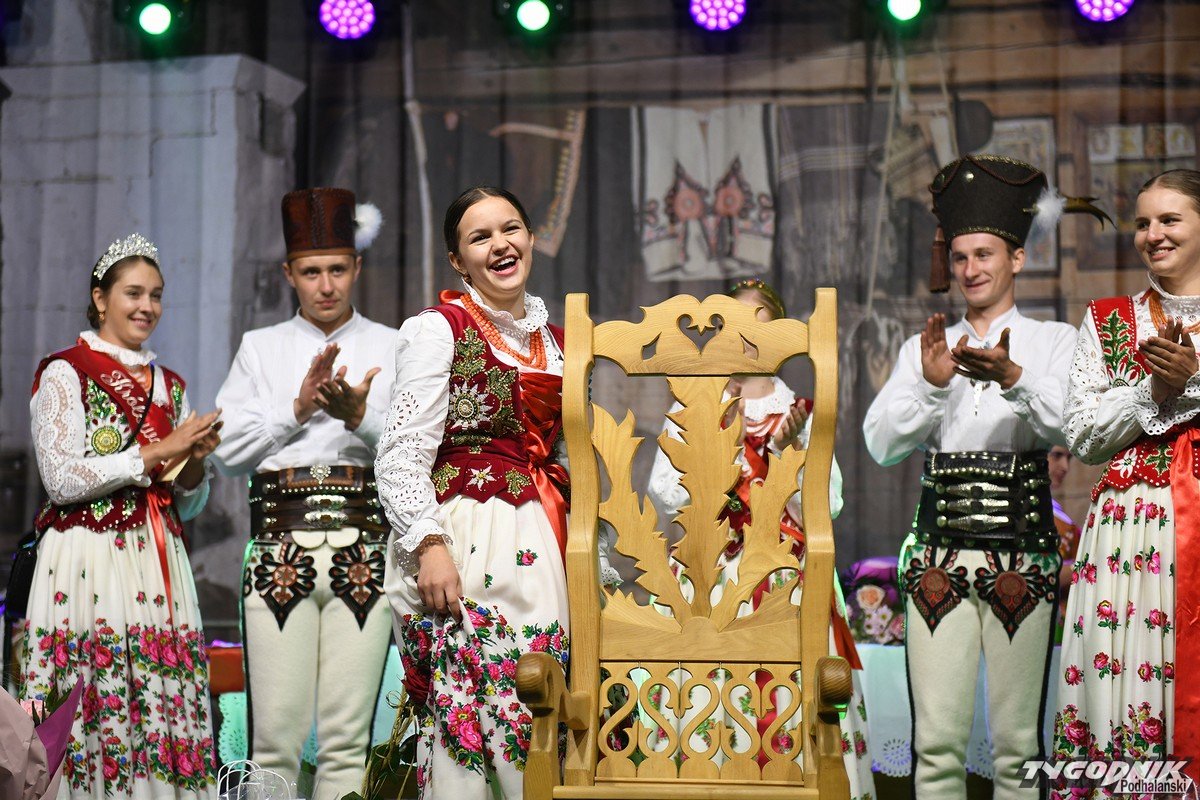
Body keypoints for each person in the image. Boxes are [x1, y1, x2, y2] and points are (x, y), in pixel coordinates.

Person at [862, 155, 1110, 800]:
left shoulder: (1054, 341)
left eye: (985, 255)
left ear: (1017, 259)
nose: (971, 269)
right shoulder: (926, 349)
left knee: (1018, 747)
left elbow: (1074, 427)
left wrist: (1014, 378)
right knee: (936, 747)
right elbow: (880, 444)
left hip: (1022, 557)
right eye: (961, 257)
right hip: (936, 557)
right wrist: (931, 387)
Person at [379, 186, 619, 800]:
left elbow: (570, 454)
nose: (500, 245)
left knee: (545, 705)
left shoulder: (563, 343)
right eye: (479, 237)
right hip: (470, 535)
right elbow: (402, 452)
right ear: (457, 260)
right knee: (471, 712)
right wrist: (429, 546)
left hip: (546, 534)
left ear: (531, 238)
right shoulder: (439, 330)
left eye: (510, 229)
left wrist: (593, 550)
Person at [646, 278, 875, 798]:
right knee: (708, 698)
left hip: (786, 578)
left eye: (760, 325)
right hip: (711, 574)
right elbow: (666, 491)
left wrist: (784, 455)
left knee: (788, 699)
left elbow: (828, 503)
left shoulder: (798, 412)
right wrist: (725, 447)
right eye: (734, 323)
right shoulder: (696, 402)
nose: (747, 336)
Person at [19, 234, 222, 799]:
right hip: (85, 555)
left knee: (158, 697)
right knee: (88, 693)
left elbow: (187, 502)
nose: (146, 307)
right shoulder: (66, 372)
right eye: (133, 293)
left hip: (156, 558)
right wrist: (159, 451)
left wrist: (193, 462)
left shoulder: (170, 386)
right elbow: (61, 479)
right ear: (100, 298)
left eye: (156, 295)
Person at [211, 188, 395, 799]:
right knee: (275, 743)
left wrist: (360, 418)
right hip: (278, 551)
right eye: (311, 272)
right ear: (289, 274)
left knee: (347, 742)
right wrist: (297, 408)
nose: (326, 285)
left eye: (337, 269)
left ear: (357, 268)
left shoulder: (391, 344)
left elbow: (413, 450)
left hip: (365, 550)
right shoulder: (260, 348)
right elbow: (225, 452)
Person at [1054, 168, 1200, 782]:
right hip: (1131, 530)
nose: (1152, 234)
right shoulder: (1110, 320)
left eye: (1170, 219)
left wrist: (1192, 382)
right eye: (1142, 223)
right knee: (1130, 674)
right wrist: (1153, 390)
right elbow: (1083, 435)